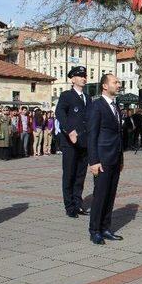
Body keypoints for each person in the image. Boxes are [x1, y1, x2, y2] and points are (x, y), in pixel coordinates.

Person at [88, 74, 124, 245]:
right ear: (104, 86)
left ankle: (105, 228)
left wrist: (121, 157)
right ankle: (94, 230)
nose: (119, 84)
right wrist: (93, 161)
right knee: (100, 195)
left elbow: (118, 134)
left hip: (115, 157)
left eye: (118, 82)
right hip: (102, 159)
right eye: (115, 82)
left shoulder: (116, 107)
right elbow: (92, 135)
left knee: (110, 195)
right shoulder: (97, 106)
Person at [55, 66, 91, 219]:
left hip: (84, 142)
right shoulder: (66, 96)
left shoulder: (88, 98)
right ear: (73, 79)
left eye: (85, 75)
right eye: (80, 76)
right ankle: (69, 206)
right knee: (69, 174)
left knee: (80, 175)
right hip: (70, 142)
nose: (84, 78)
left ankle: (78, 203)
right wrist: (70, 130)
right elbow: (60, 113)